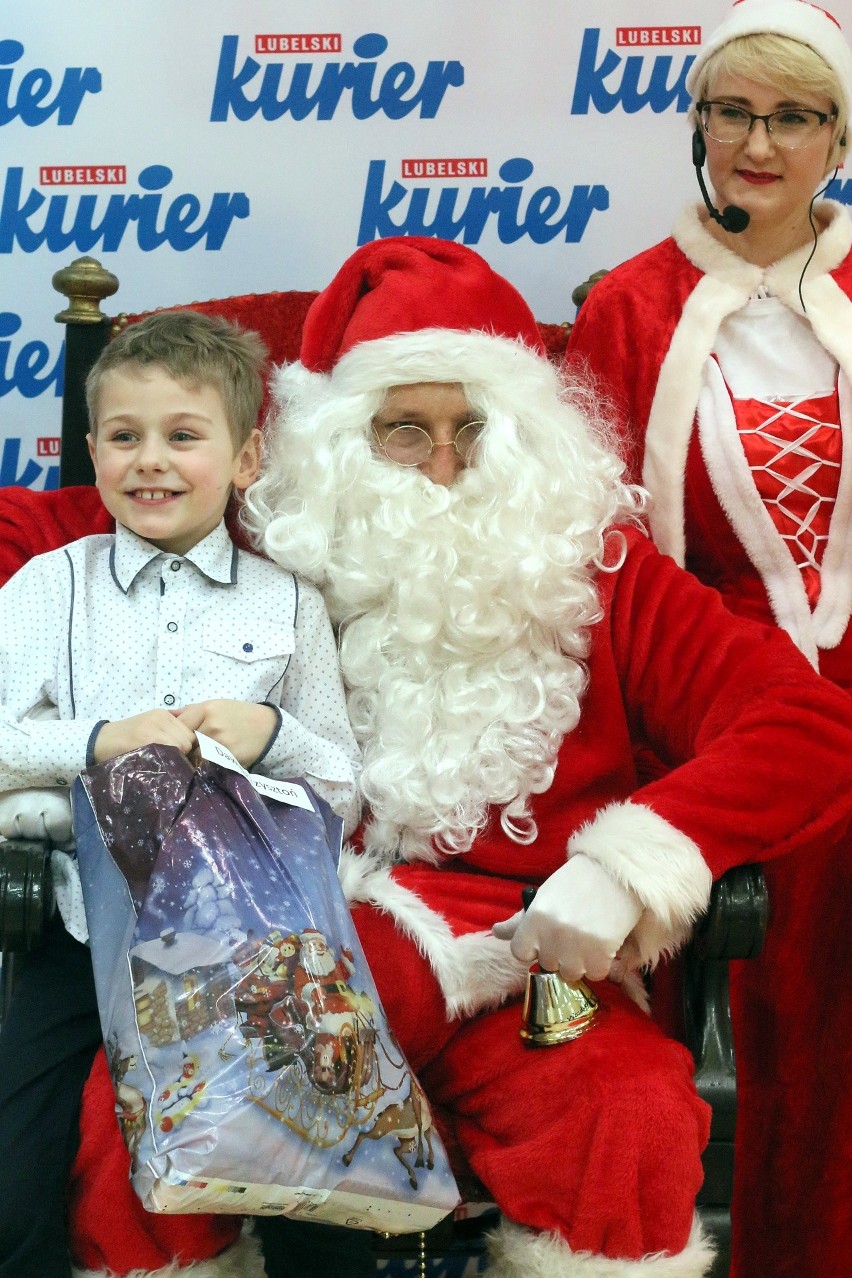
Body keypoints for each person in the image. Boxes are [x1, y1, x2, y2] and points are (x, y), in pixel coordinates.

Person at [233, 233, 852, 1277]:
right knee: (136, 1119)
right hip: (314, 965)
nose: (442, 467)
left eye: (472, 431)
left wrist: (630, 864)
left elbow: (810, 726)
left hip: (534, 979)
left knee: (632, 1117)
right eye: (403, 431)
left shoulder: (599, 569)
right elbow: (54, 538)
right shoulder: (277, 547)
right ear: (339, 442)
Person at [566, 3, 852, 1276]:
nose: (757, 140)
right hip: (713, 691)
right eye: (731, 111)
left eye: (791, 115)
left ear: (836, 136)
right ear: (697, 126)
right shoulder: (632, 305)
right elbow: (597, 554)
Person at [0, 309, 361, 1278]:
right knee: (11, 1173)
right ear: (91, 451)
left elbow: (341, 785)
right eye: (125, 437)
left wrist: (271, 733)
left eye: (183, 436)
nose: (149, 461)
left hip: (250, 943)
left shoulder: (286, 600)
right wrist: (97, 739)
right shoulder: (49, 587)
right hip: (78, 933)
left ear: (246, 459)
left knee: (322, 1189)